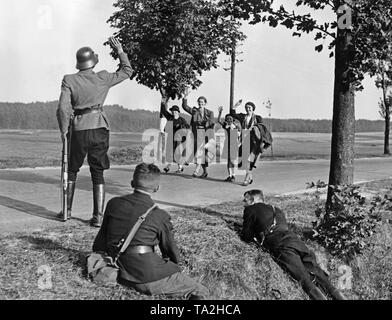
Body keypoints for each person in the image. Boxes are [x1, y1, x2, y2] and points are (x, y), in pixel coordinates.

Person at [92, 163, 209, 299]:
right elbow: (171, 252)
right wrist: (175, 267)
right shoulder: (159, 215)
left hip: (119, 269)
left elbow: (99, 244)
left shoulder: (113, 204)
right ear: (157, 188)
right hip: (147, 277)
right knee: (200, 291)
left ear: (132, 183)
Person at [56, 37, 134, 227]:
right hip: (99, 127)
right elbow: (127, 71)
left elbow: (63, 109)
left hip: (79, 128)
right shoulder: (103, 77)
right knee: (97, 171)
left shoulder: (69, 80)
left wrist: (64, 131)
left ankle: (67, 210)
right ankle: (98, 216)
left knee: (71, 169)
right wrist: (120, 50)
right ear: (93, 61)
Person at [241, 189, 347, 300]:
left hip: (280, 244)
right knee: (318, 273)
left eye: (245, 200)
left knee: (303, 278)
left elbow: (245, 235)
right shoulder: (276, 209)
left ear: (253, 200)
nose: (243, 203)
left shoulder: (250, 209)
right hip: (295, 241)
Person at [182, 88, 215, 178]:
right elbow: (185, 107)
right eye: (199, 102)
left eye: (202, 102)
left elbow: (212, 122)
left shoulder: (210, 112)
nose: (201, 103)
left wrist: (206, 122)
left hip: (205, 133)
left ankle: (196, 170)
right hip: (196, 133)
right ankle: (205, 172)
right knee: (200, 152)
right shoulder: (194, 111)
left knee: (200, 152)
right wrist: (185, 97)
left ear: (205, 103)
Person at [230, 100, 265, 186]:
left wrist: (253, 128)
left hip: (253, 141)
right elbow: (232, 113)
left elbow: (261, 129)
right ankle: (250, 177)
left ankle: (246, 179)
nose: (247, 109)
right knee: (244, 160)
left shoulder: (258, 118)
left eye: (249, 107)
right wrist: (235, 106)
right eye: (246, 107)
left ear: (253, 108)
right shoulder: (243, 117)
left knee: (249, 161)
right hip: (243, 139)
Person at [160, 94, 190, 174]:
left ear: (178, 112)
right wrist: (163, 102)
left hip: (179, 139)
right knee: (170, 152)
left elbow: (187, 127)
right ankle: (174, 167)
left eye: (175, 111)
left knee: (177, 153)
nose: (174, 112)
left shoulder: (182, 120)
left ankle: (176, 167)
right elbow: (163, 111)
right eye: (172, 111)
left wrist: (183, 128)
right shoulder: (169, 117)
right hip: (171, 138)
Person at [217, 106, 241, 182]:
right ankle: (230, 175)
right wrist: (220, 113)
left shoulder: (236, 126)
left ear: (233, 119)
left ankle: (233, 175)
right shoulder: (225, 125)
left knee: (233, 160)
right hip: (227, 144)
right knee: (228, 160)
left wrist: (234, 129)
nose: (229, 120)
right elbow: (219, 120)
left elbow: (239, 135)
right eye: (227, 119)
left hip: (234, 144)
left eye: (230, 119)